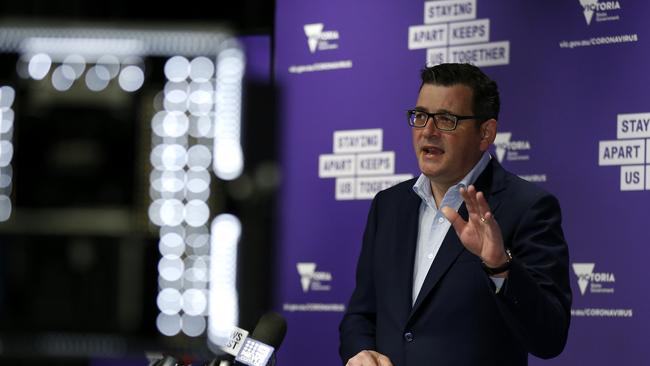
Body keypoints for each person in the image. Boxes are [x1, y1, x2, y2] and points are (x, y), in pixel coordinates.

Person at [339, 63, 571, 366]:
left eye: (446, 119)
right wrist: (358, 352)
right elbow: (361, 313)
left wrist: (500, 267)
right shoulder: (389, 205)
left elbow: (550, 337)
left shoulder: (526, 207)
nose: (428, 131)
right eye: (420, 116)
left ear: (485, 133)